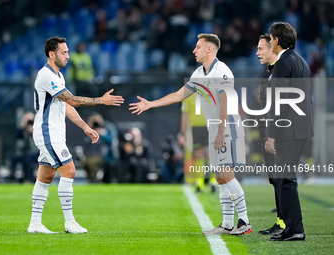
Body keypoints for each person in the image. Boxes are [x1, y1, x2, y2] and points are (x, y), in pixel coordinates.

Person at [130, 33, 252, 235]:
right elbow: (179, 95)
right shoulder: (198, 74)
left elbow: (226, 103)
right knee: (220, 178)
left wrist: (221, 131)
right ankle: (227, 224)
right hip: (214, 129)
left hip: (227, 127)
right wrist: (151, 103)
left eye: (198, 47)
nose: (194, 50)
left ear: (209, 49)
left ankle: (245, 221)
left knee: (227, 175)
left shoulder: (222, 71)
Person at [27, 36, 124, 234]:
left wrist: (85, 127)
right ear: (52, 54)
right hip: (47, 132)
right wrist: (100, 100)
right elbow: (72, 100)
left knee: (46, 176)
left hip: (51, 133)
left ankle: (35, 223)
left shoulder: (58, 76)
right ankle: (70, 222)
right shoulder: (46, 76)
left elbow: (65, 106)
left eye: (68, 52)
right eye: (64, 52)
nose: (68, 56)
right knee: (69, 171)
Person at [266, 22, 313, 241]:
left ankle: (294, 229)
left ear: (276, 40)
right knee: (286, 178)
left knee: (284, 179)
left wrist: (273, 134)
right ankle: (292, 227)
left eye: (270, 37)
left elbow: (280, 102)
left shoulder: (283, 63)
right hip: (301, 128)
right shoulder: (301, 61)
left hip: (289, 130)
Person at [255, 34, 285, 236]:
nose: (257, 53)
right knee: (275, 179)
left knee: (282, 179)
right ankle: (281, 221)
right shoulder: (268, 72)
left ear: (272, 49)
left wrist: (273, 134)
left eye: (261, 49)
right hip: (268, 130)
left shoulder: (281, 72)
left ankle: (286, 224)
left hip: (279, 133)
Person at [10, 112, 39, 183]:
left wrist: (33, 129)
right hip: (25, 152)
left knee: (28, 160)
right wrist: (23, 124)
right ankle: (12, 177)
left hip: (35, 152)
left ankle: (28, 179)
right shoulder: (23, 130)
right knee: (15, 158)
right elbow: (17, 136)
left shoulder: (37, 128)